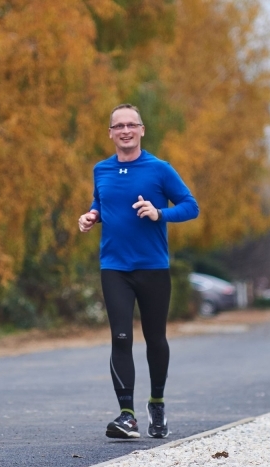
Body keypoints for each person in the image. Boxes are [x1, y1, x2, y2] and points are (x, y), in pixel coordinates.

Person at [78, 104, 199, 439]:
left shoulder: (160, 169)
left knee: (155, 339)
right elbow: (100, 203)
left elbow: (191, 207)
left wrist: (160, 213)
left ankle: (156, 403)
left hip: (153, 268)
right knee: (121, 337)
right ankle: (126, 415)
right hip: (114, 267)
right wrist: (91, 216)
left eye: (132, 125)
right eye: (119, 126)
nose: (126, 131)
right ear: (111, 133)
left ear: (142, 130)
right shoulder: (101, 170)